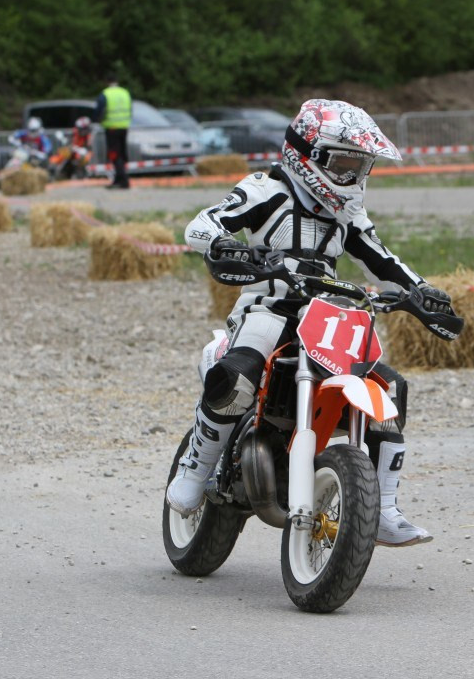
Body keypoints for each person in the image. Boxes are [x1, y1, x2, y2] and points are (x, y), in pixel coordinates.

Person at [167, 98, 451, 547]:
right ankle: (194, 470)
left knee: (391, 388)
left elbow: (385, 261)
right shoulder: (266, 190)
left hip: (326, 318)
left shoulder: (348, 214)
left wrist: (423, 292)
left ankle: (384, 508)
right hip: (269, 309)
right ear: (309, 154)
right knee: (237, 377)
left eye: (360, 167)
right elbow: (203, 223)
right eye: (343, 163)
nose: (352, 177)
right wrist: (230, 246)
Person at [94, 73, 131, 189]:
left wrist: (97, 120)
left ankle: (123, 180)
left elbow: (99, 111)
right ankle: (118, 179)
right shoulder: (125, 92)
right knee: (122, 154)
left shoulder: (106, 94)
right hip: (124, 126)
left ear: (106, 82)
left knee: (114, 154)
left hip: (112, 127)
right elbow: (130, 109)